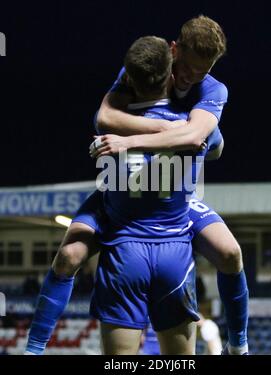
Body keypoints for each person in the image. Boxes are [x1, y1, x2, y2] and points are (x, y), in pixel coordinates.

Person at [25, 15, 248, 355]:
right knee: (69, 254)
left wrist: (135, 140)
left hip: (175, 197)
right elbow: (104, 118)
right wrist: (169, 131)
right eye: (186, 66)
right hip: (123, 192)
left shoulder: (213, 90)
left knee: (231, 253)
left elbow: (198, 136)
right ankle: (34, 348)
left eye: (201, 71)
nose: (190, 77)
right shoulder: (147, 67)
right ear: (174, 50)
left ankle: (239, 345)